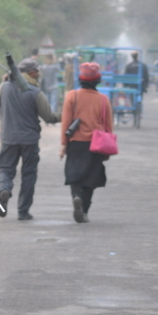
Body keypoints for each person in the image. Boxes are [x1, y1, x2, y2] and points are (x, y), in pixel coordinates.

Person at [0, 57, 60, 221]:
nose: (39, 74)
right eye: (37, 71)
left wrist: (4, 83)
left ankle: (3, 191)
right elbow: (49, 117)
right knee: (29, 175)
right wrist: (67, 116)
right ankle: (23, 211)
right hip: (30, 140)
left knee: (5, 170)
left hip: (8, 138)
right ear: (31, 73)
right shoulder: (35, 92)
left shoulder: (6, 87)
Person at [60, 62, 114, 223]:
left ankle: (76, 196)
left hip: (76, 142)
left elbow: (66, 123)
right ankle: (84, 211)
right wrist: (107, 151)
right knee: (91, 178)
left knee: (75, 176)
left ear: (80, 79)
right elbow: (108, 126)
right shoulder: (104, 100)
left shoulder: (72, 96)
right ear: (98, 80)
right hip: (96, 144)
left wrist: (64, 144)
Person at [124, 51, 150, 119]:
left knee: (132, 98)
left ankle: (133, 110)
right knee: (140, 99)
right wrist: (146, 86)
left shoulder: (128, 66)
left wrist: (125, 86)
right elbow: (146, 77)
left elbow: (125, 77)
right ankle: (139, 113)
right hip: (140, 87)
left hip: (131, 87)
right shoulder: (143, 65)